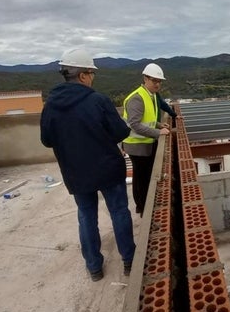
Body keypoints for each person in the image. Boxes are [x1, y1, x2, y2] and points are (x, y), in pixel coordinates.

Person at [40, 48, 136, 282]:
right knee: (119, 212)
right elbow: (121, 131)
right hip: (108, 170)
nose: (93, 77)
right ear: (82, 75)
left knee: (86, 216)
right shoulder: (98, 101)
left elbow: (46, 140)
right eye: (91, 73)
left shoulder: (50, 105)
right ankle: (129, 261)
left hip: (76, 173)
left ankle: (94, 267)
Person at [122, 63, 170, 217]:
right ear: (145, 79)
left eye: (159, 81)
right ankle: (143, 208)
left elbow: (145, 119)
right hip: (137, 146)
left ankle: (144, 206)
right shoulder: (137, 98)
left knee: (145, 176)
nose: (157, 84)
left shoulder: (150, 95)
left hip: (145, 144)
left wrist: (157, 124)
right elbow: (135, 125)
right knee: (141, 179)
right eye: (154, 80)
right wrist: (158, 132)